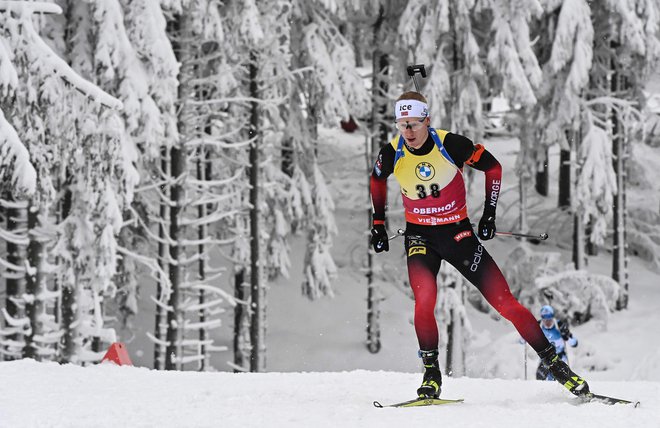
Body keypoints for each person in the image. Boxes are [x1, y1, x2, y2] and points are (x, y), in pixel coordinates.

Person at [369, 91, 589, 399]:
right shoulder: (392, 152)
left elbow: (494, 168)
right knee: (425, 301)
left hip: (458, 236)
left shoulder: (451, 144)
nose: (408, 132)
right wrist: (378, 222)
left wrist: (489, 212)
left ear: (427, 121)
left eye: (415, 124)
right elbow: (377, 180)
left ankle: (557, 367)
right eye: (402, 124)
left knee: (506, 303)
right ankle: (431, 375)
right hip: (420, 238)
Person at [536, 305, 579, 381]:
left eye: (549, 319)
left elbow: (574, 344)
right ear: (542, 318)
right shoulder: (538, 325)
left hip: (559, 356)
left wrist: (567, 337)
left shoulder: (559, 325)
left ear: (552, 317)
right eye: (545, 319)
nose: (547, 322)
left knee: (554, 377)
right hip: (545, 358)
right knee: (540, 378)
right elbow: (523, 340)